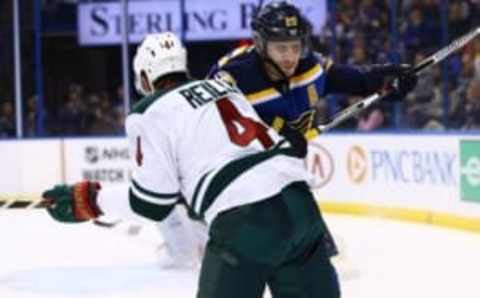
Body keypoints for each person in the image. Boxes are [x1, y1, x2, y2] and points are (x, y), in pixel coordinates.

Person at [42, 32, 340, 298]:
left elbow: (152, 202)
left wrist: (92, 200)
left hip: (246, 220)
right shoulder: (226, 89)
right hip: (301, 206)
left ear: (145, 77)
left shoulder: (148, 111)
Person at [208, 0, 417, 257]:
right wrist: (273, 131)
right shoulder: (233, 75)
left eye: (295, 47)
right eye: (281, 48)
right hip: (237, 171)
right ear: (261, 45)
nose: (289, 57)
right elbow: (211, 123)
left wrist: (386, 80)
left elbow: (356, 80)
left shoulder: (311, 67)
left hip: (284, 168)